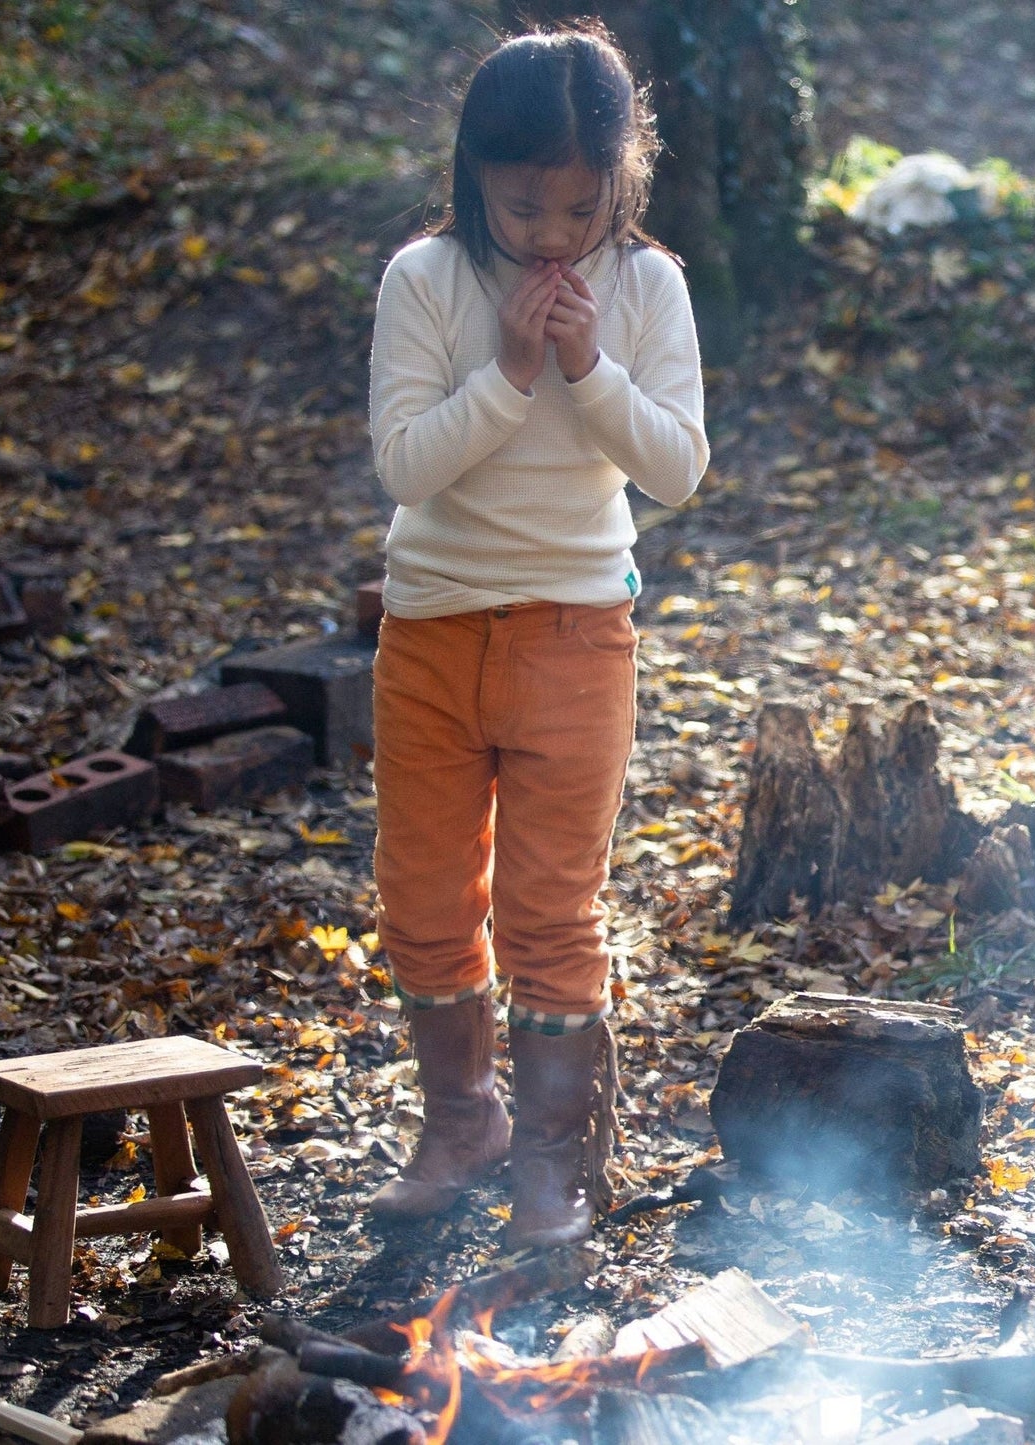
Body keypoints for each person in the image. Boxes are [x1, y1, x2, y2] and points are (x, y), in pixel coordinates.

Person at [365, 22, 708, 1251]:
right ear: (475, 175)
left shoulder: (645, 285)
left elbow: (675, 467)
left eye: (579, 205)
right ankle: (462, 1121)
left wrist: (585, 365)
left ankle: (555, 1165)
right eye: (523, 206)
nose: (553, 233)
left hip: (577, 633)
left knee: (552, 909)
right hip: (432, 630)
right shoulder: (425, 279)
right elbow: (403, 464)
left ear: (622, 177)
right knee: (421, 896)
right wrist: (508, 370)